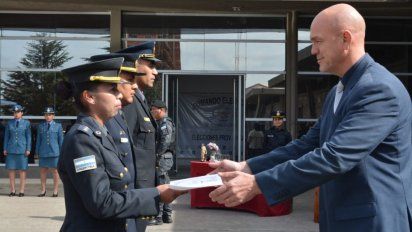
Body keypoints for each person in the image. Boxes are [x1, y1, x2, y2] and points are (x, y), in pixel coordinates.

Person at [209, 4, 412, 232]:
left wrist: (258, 184)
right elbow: (307, 145)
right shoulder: (339, 91)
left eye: (317, 41)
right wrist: (247, 166)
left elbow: (335, 156)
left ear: (345, 38)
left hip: (375, 222)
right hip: (345, 219)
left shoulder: (378, 90)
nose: (313, 50)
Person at [57, 57, 185, 232]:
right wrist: (156, 194)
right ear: (89, 97)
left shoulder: (101, 133)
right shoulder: (82, 139)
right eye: (111, 89)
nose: (118, 94)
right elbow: (102, 203)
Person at [90, 51, 148, 232]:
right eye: (128, 81)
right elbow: (99, 197)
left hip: (124, 212)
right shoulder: (90, 131)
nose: (134, 87)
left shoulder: (118, 116)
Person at [121, 42, 160, 189]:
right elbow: (124, 151)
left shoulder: (140, 99)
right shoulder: (128, 102)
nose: (155, 72)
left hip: (145, 186)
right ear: (135, 66)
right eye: (151, 66)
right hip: (136, 188)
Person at [149, 100, 176, 225]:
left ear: (160, 110)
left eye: (153, 109)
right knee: (165, 184)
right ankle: (166, 215)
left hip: (163, 158)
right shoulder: (161, 122)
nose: (152, 111)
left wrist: (158, 154)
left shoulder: (165, 123)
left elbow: (165, 140)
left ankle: (159, 217)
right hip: (164, 157)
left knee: (160, 186)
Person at [3, 104, 31, 197]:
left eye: (18, 112)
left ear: (22, 113)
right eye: (14, 112)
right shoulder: (9, 123)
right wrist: (5, 148)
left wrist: (28, 149)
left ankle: (21, 191)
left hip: (22, 149)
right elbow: (6, 137)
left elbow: (28, 137)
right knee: (11, 170)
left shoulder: (26, 123)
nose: (16, 114)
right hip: (11, 149)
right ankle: (12, 190)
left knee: (22, 171)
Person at [35, 106, 64, 197]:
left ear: (53, 116)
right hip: (43, 151)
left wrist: (62, 152)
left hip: (54, 152)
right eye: (46, 115)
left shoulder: (58, 126)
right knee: (43, 171)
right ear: (44, 116)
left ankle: (55, 191)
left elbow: (61, 140)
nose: (48, 116)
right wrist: (37, 152)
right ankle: (43, 190)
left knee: (55, 171)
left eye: (50, 115)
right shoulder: (41, 126)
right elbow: (38, 140)